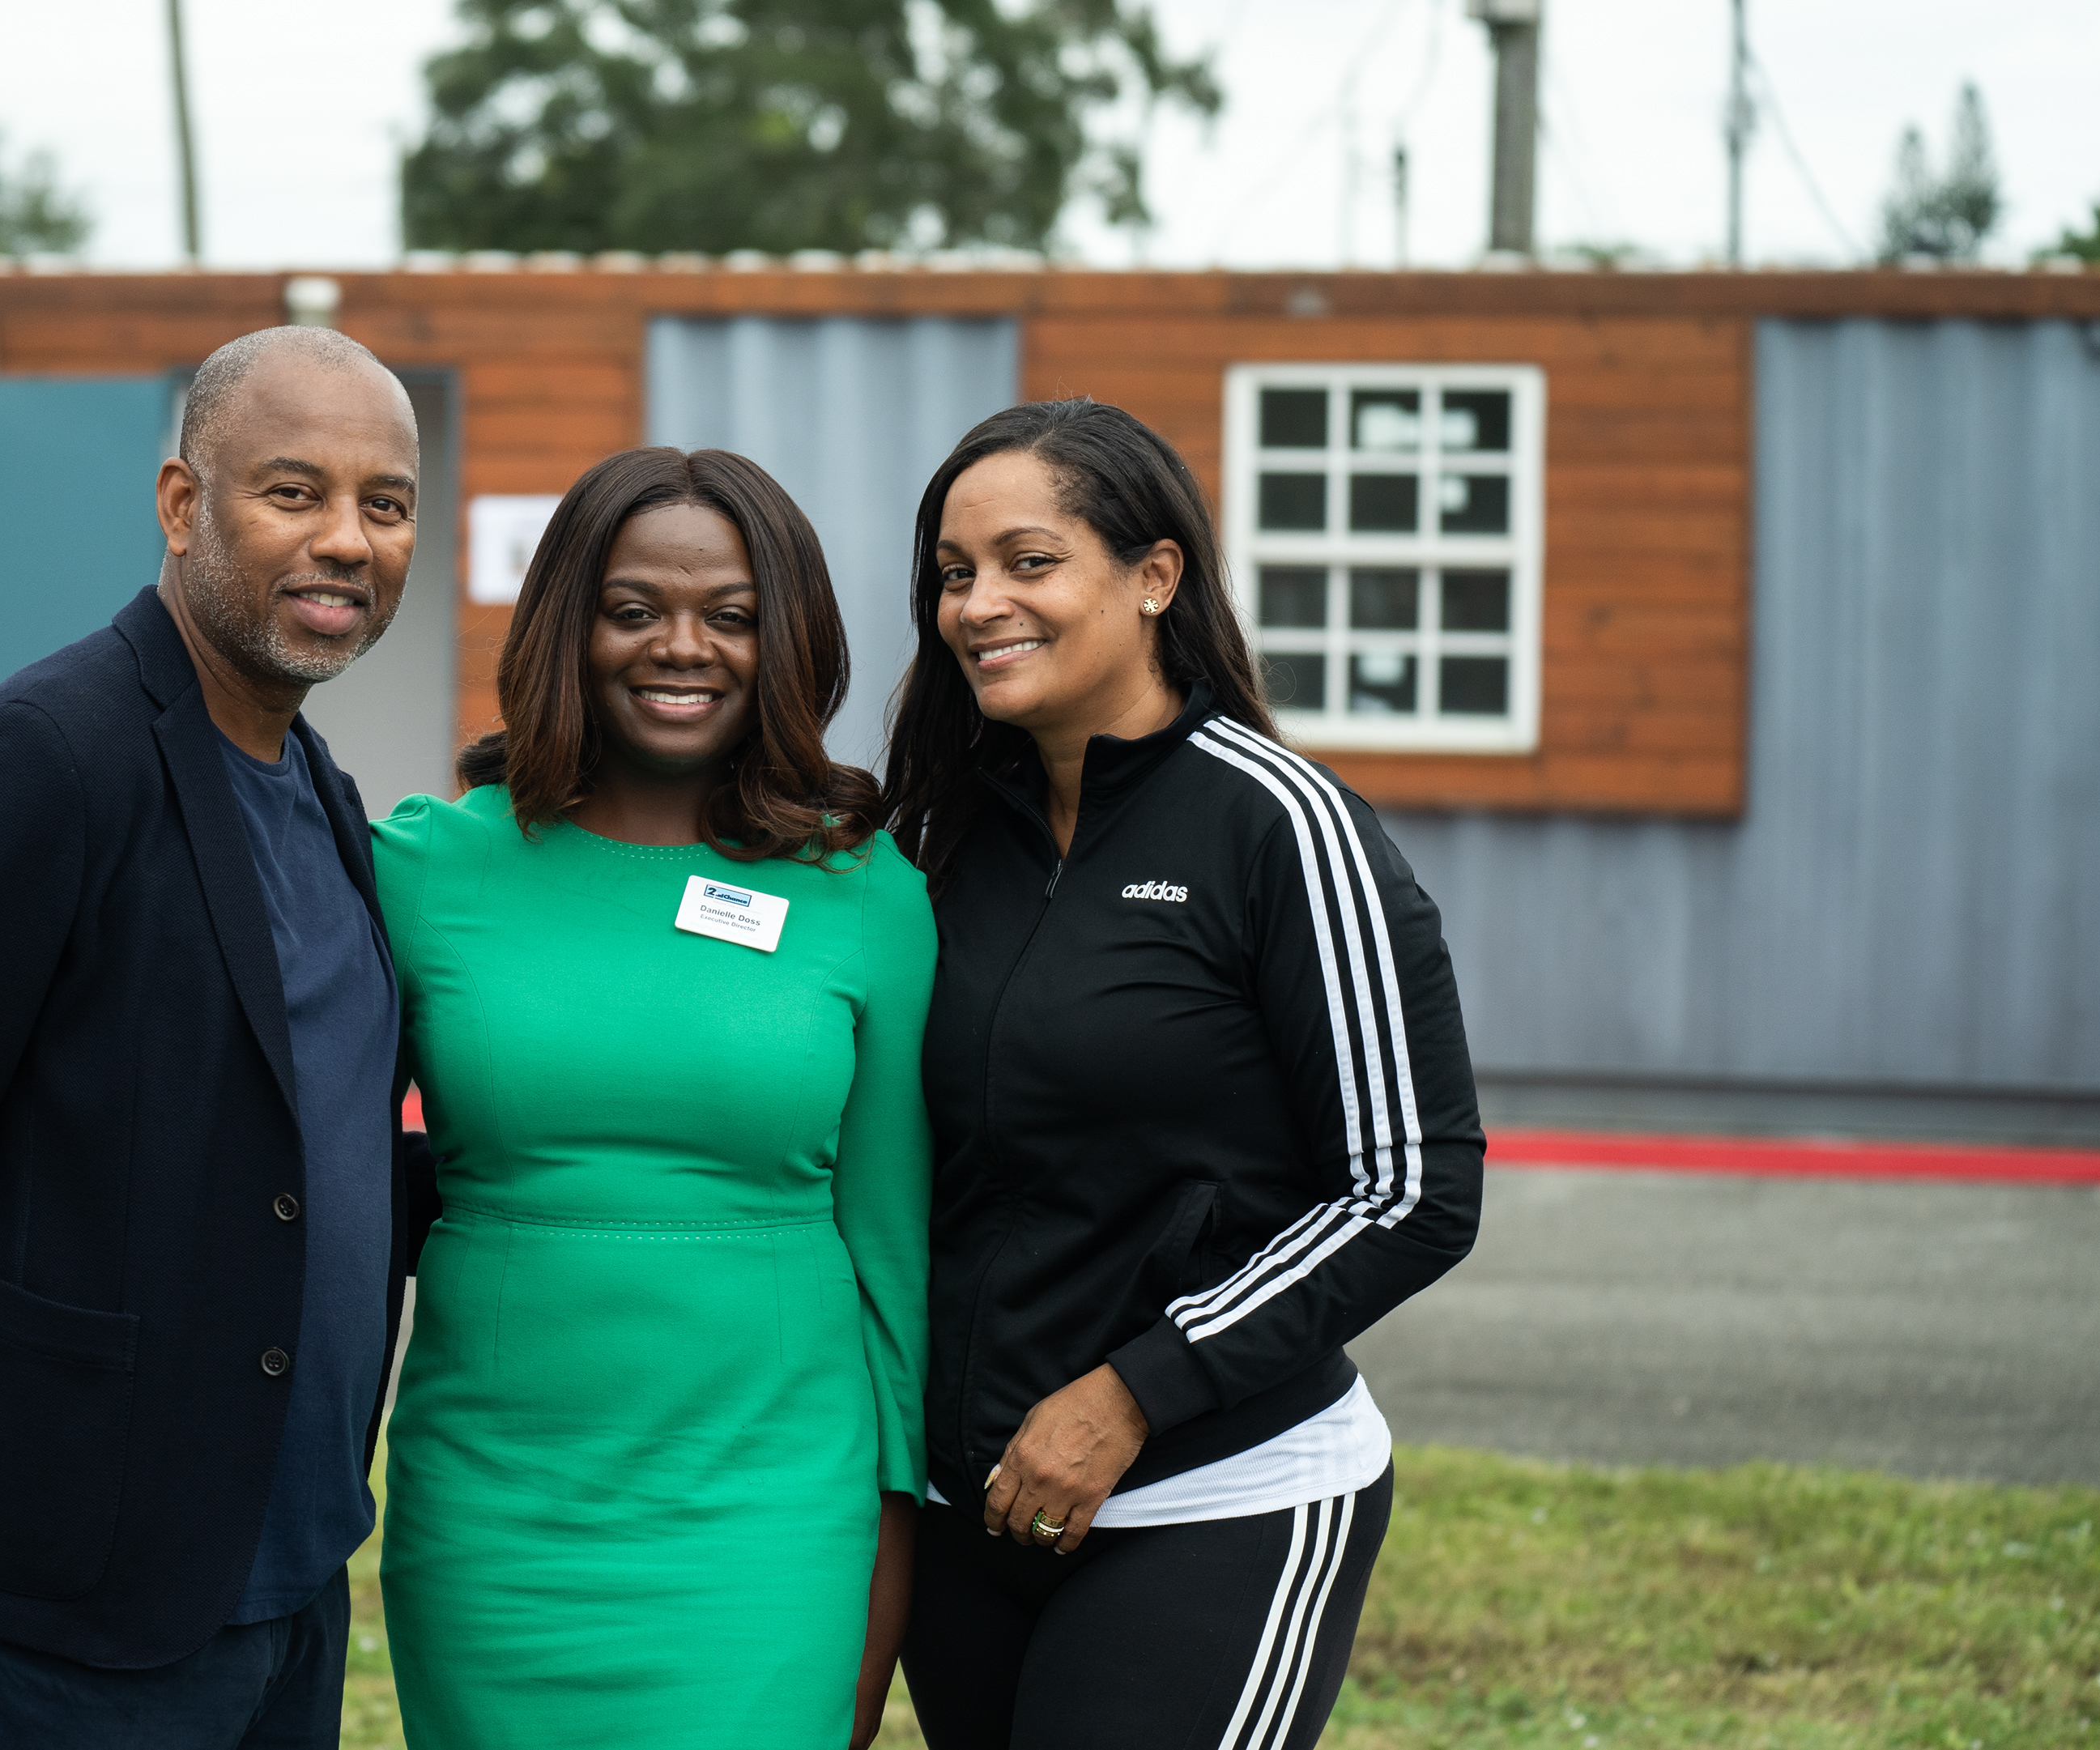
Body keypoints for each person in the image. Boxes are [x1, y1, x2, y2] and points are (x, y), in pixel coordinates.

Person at [0, 325, 437, 1748]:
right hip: (51, 1603)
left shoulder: (320, 789)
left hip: (288, 1582)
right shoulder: (48, 758)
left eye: (385, 503)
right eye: (295, 491)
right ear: (184, 505)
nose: (347, 539)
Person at [882, 399, 1484, 1750]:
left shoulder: (1282, 827)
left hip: (1220, 1491)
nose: (979, 604)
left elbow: (1413, 1187)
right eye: (955, 572)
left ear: (1155, 575)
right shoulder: (938, 837)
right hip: (973, 1507)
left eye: (1030, 562)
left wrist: (1136, 1389)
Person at [369, 447, 935, 1749]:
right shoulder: (424, 868)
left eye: (731, 614)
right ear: (569, 625)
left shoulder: (865, 891)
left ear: (785, 638)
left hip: (771, 1518)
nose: (683, 647)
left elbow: (894, 1270)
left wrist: (884, 1576)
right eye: (635, 609)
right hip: (494, 1519)